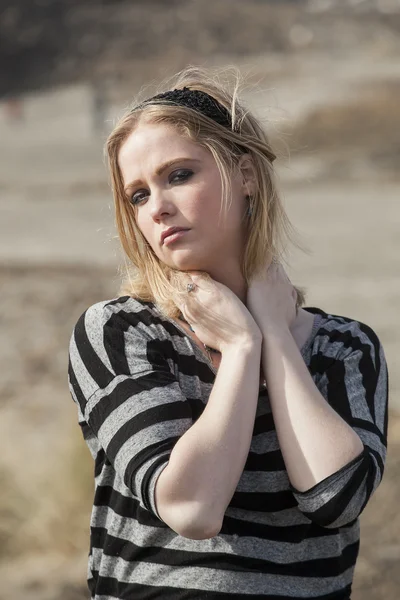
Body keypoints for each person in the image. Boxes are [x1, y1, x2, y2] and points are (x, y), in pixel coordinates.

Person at [68, 67, 389, 600]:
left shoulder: (345, 348)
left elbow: (337, 498)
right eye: (138, 196)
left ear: (246, 175)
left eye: (178, 175)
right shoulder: (122, 332)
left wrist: (275, 337)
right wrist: (242, 348)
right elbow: (191, 508)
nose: (158, 207)